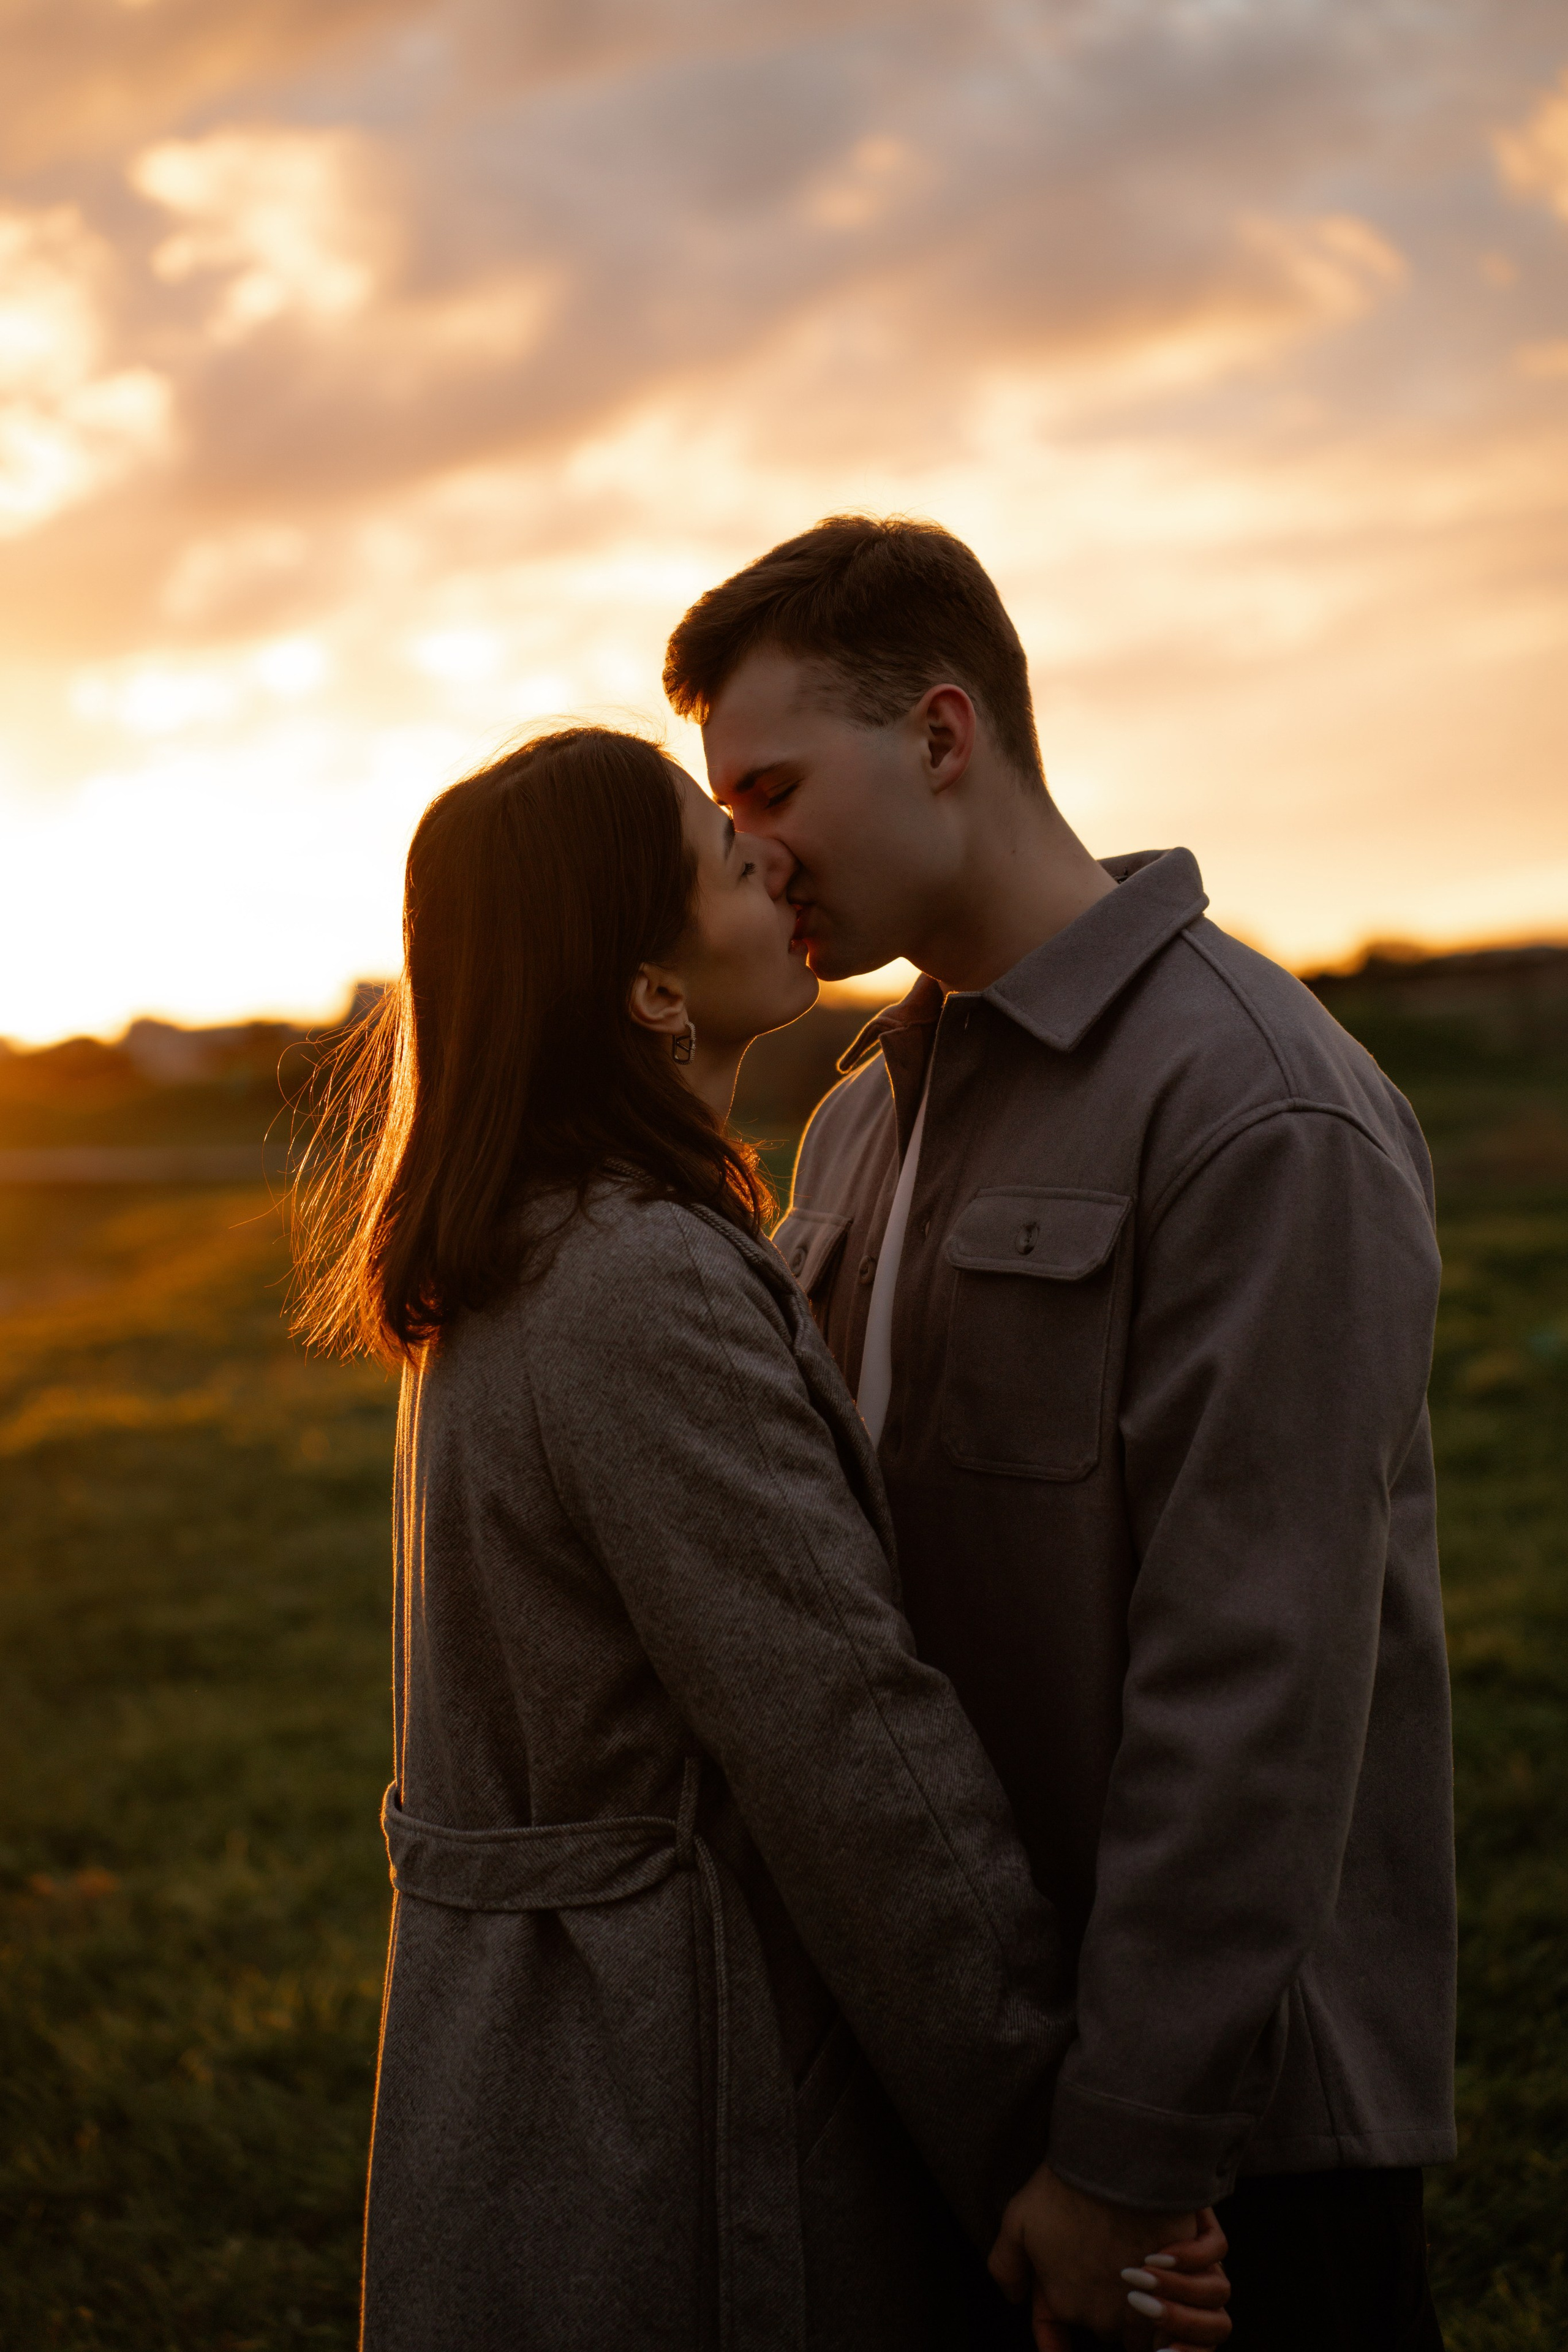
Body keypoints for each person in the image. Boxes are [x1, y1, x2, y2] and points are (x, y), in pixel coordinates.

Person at [292, 726, 1231, 2351]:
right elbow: (848, 1742)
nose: (773, 858)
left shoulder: (538, 1245)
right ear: (651, 991)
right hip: (676, 2110)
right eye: (727, 858)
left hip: (556, 2089)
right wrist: (1059, 2159)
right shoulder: (635, 1279)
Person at [664, 516, 1455, 2352]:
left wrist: (1126, 2157)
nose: (748, 847)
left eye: (775, 783)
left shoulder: (1261, 1111)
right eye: (728, 803)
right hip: (972, 2082)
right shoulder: (863, 1121)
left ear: (945, 734)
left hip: (1227, 2164)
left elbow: (1254, 1687)